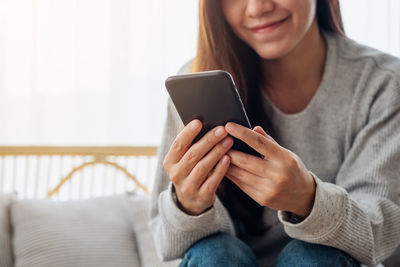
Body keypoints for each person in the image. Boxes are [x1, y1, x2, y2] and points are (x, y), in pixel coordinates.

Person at [150, 0, 400, 266]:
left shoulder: (384, 83)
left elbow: (386, 234)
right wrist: (188, 206)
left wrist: (308, 200)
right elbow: (166, 244)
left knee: (312, 257)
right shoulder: (196, 81)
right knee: (214, 254)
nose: (257, 8)